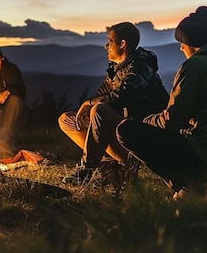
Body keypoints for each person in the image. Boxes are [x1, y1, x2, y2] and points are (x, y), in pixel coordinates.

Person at [116, 6, 207, 199]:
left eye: (181, 43)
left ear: (189, 42)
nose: (180, 48)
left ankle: (191, 187)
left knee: (126, 130)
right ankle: (194, 188)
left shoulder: (194, 66)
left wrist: (146, 121)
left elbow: (172, 121)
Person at [58, 22, 168, 186]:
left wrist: (89, 103)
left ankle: (86, 171)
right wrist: (88, 109)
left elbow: (123, 96)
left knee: (99, 110)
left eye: (110, 41)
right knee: (67, 119)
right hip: (121, 131)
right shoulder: (117, 70)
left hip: (143, 138)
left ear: (122, 44)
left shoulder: (140, 67)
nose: (106, 46)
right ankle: (108, 166)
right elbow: (103, 96)